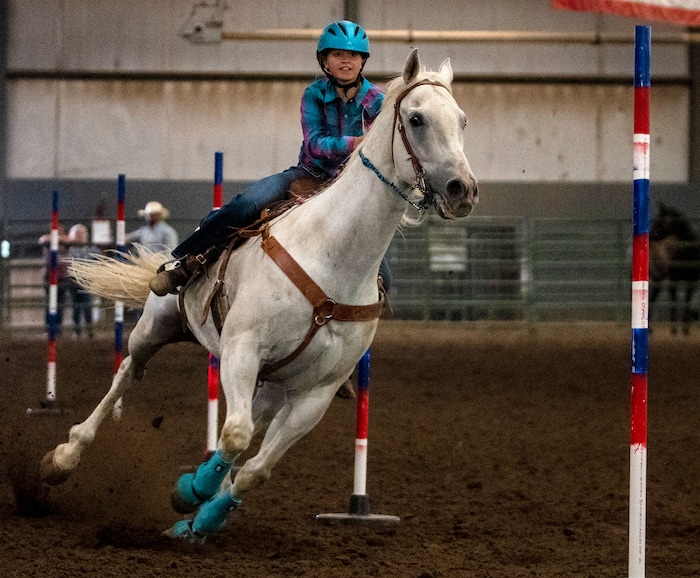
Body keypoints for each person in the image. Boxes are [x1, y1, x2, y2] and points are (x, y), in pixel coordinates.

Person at [149, 20, 391, 296]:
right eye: (337, 54)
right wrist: (356, 142)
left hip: (351, 185)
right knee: (247, 204)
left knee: (385, 277)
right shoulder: (314, 94)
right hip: (308, 174)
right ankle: (186, 262)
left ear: (363, 61)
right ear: (324, 61)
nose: (346, 61)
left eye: (353, 55)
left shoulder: (378, 101)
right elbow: (315, 143)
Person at [67, 224, 100, 339]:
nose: (80, 237)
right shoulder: (71, 248)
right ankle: (77, 331)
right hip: (74, 282)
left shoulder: (91, 248)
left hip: (86, 281)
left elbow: (99, 257)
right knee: (75, 308)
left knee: (87, 307)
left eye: (81, 234)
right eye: (78, 234)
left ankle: (89, 330)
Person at [38, 226, 70, 335]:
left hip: (61, 278)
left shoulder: (65, 242)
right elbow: (43, 239)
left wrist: (57, 238)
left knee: (59, 305)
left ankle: (58, 329)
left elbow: (68, 240)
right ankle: (49, 329)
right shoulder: (47, 241)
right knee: (49, 305)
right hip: (49, 277)